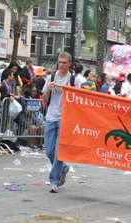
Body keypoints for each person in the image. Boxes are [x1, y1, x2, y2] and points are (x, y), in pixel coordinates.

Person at [42, 52, 82, 193]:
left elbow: (79, 99)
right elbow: (44, 99)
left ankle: (54, 181)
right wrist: (49, 89)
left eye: (64, 63)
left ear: (70, 63)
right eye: (59, 62)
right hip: (51, 117)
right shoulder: (51, 77)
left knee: (59, 151)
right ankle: (63, 167)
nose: (61, 65)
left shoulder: (74, 80)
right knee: (49, 150)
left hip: (65, 119)